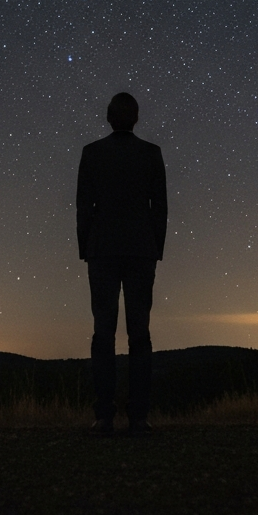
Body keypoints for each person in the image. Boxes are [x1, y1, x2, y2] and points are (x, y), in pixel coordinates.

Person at [76, 92, 168, 436]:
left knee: (103, 332)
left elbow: (83, 205)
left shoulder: (93, 153)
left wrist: (86, 245)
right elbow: (159, 206)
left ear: (108, 117)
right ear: (137, 118)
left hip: (103, 249)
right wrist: (155, 247)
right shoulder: (150, 154)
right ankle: (139, 417)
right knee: (139, 334)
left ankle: (104, 416)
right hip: (140, 250)